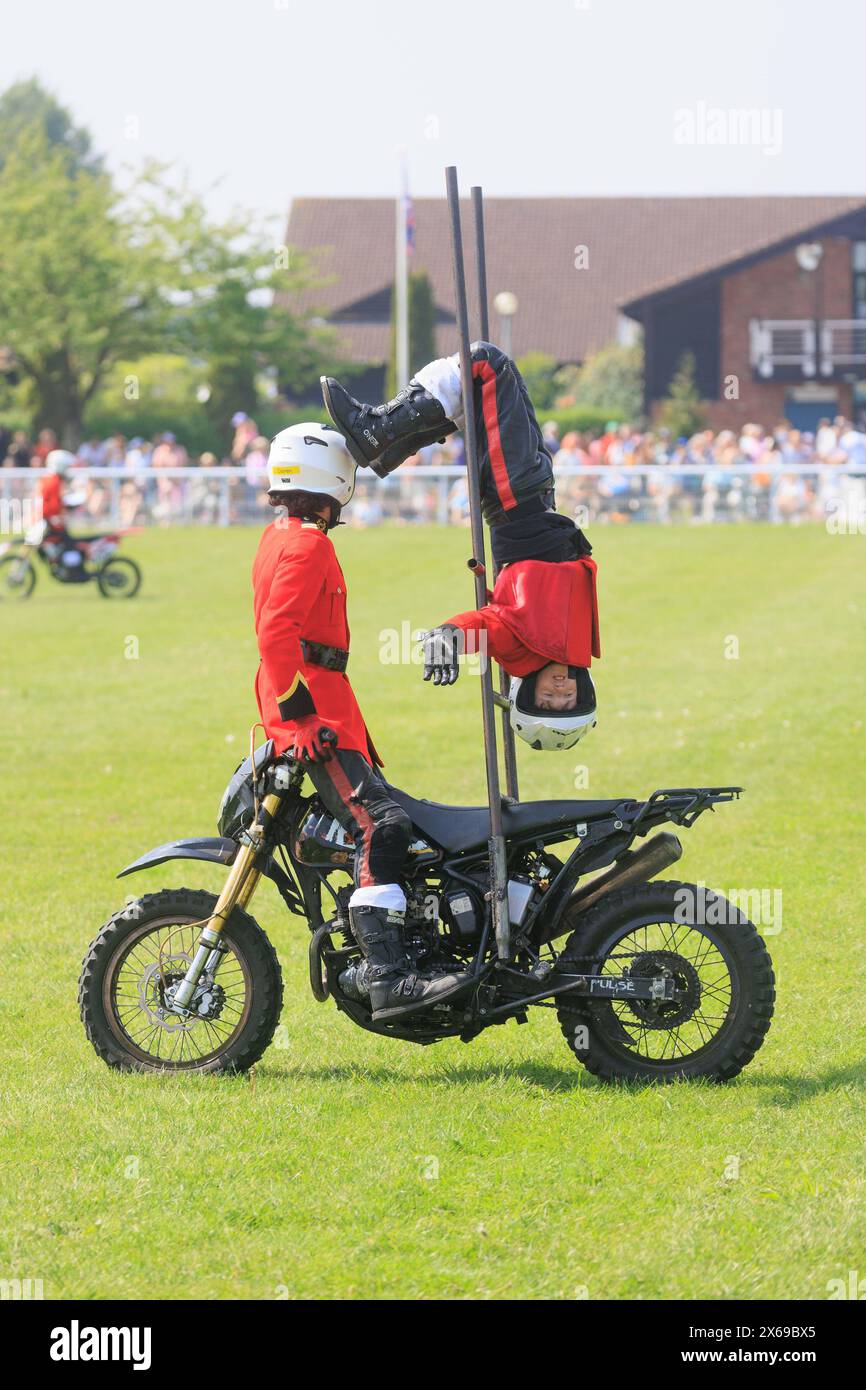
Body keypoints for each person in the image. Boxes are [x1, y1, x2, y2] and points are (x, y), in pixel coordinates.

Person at [253, 423, 467, 1022]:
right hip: (315, 714)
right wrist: (299, 718)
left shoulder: (281, 535)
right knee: (385, 826)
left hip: (325, 706)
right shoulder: (307, 544)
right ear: (330, 479)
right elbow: (275, 636)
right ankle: (390, 977)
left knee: (388, 822)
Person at [321, 342, 600, 751]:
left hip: (515, 502)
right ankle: (386, 448)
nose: (559, 691)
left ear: (527, 695)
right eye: (567, 700)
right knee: (480, 391)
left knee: (487, 365)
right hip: (538, 496)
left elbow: (482, 628)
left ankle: (378, 432)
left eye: (547, 700)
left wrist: (447, 637)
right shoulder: (575, 650)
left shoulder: (520, 652)